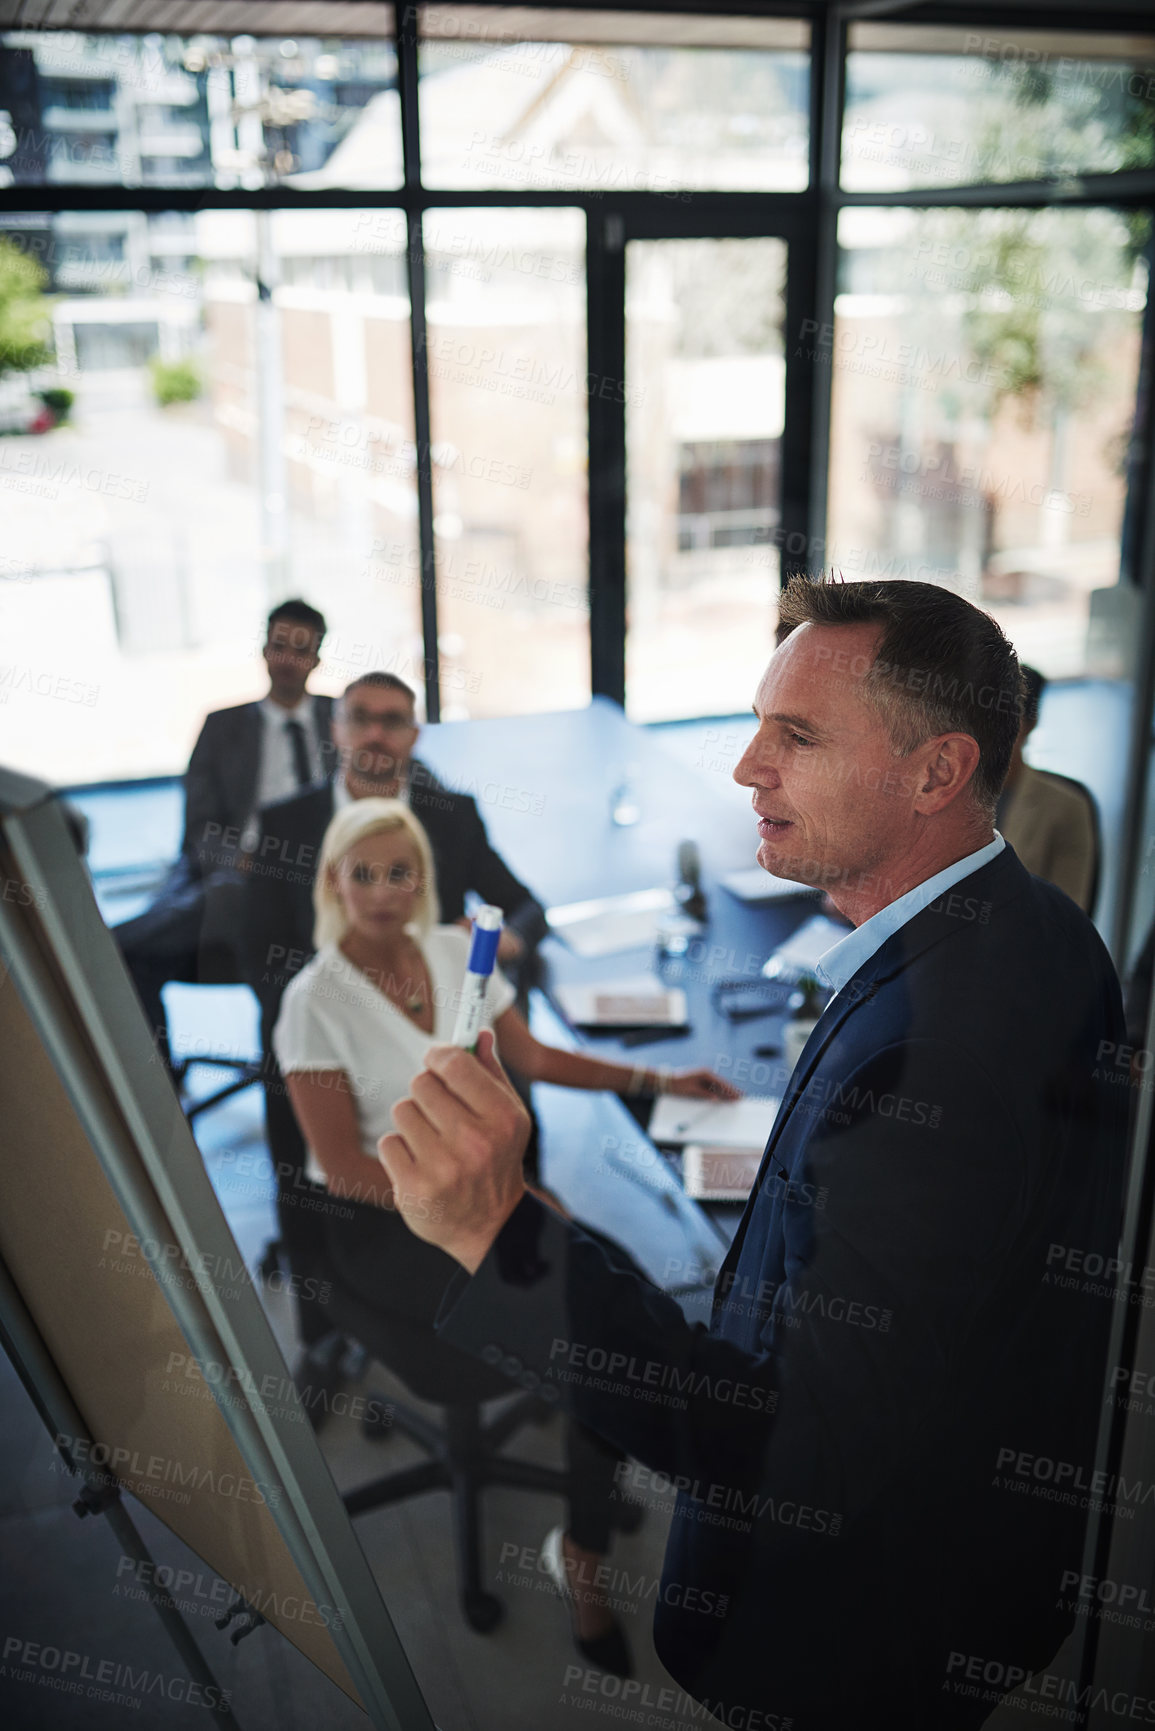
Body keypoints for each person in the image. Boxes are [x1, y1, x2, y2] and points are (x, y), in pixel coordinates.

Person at [376, 578, 1128, 1730]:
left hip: (853, 1628)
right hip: (971, 1539)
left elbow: (786, 1452)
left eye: (798, 735)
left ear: (938, 772)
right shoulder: (1042, 931)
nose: (745, 767)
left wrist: (502, 1237)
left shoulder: (940, 1059)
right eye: (759, 723)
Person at [272, 798, 737, 1673]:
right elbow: (341, 1170)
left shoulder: (456, 954)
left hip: (492, 1202)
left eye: (398, 871)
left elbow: (535, 1059)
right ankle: (588, 1559)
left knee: (618, 1312)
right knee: (575, 1342)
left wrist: (659, 1076)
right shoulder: (311, 1001)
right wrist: (491, 1200)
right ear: (333, 881)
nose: (380, 890)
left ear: (423, 878)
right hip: (387, 1221)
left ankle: (583, 1552)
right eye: (360, 872)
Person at [241, 669, 550, 1350]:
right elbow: (257, 950)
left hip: (440, 1022)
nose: (376, 732)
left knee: (507, 1078)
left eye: (393, 719)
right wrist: (344, 1009)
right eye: (361, 717)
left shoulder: (452, 813)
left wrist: (504, 941)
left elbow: (522, 903)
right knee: (298, 1124)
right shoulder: (290, 820)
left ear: (413, 735)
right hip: (337, 1027)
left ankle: (513, 1263)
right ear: (336, 730)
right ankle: (324, 1331)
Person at [115, 598, 332, 1076]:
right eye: (279, 646)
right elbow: (200, 828)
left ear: (317, 658)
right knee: (135, 956)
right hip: (240, 877)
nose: (288, 659)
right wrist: (239, 860)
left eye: (301, 648)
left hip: (325, 884)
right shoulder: (223, 726)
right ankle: (163, 1093)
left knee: (131, 943)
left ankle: (101, 944)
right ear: (264, 651)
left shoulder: (344, 723)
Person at [997, 664, 1098, 912]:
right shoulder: (951, 792)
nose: (991, 724)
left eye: (1006, 713)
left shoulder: (1065, 805)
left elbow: (1069, 913)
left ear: (1030, 724)